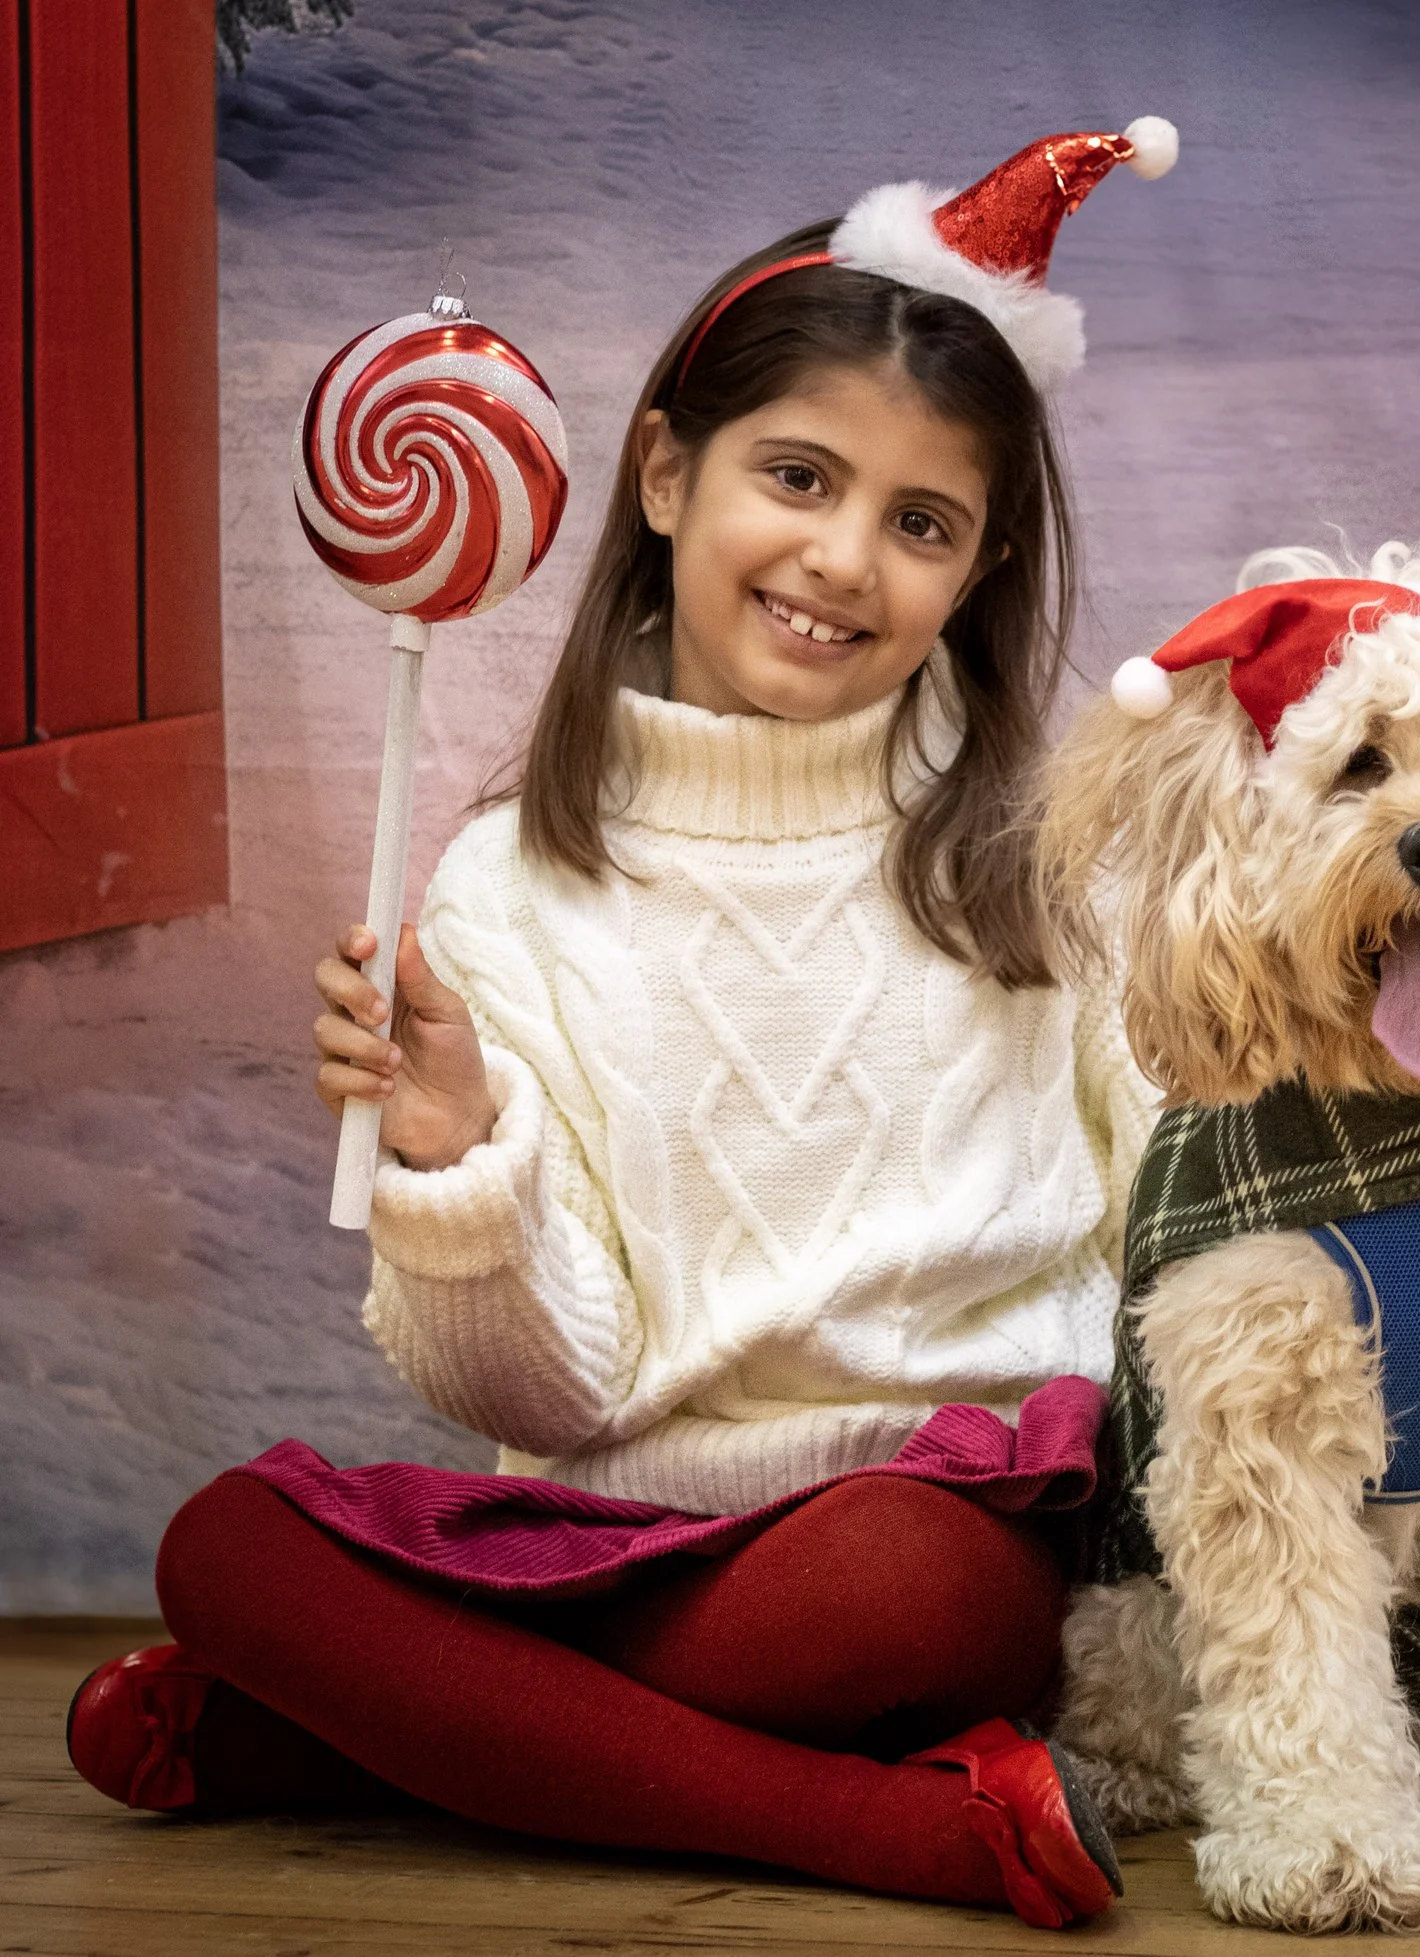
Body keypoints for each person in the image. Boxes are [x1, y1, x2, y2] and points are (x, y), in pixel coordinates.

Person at [63, 119, 1179, 1931]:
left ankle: (364, 1742)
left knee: (904, 1585)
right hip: (614, 1546)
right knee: (226, 1550)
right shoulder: (508, 888)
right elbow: (540, 1396)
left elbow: (1174, 1239)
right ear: (666, 471)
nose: (840, 559)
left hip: (929, 1529)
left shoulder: (1052, 865)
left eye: (920, 523)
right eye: (797, 478)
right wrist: (454, 1144)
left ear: (976, 573)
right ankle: (881, 1828)